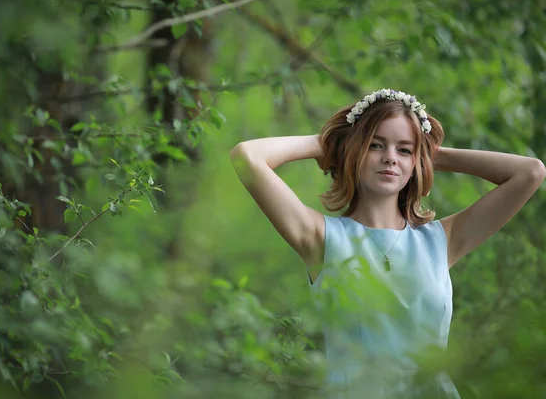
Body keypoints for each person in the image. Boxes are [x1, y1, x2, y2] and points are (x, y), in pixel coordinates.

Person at [229, 88, 546, 398]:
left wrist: (430, 154)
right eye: (376, 145)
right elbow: (247, 156)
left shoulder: (442, 241)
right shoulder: (320, 237)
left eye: (404, 150)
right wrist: (328, 144)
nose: (391, 159)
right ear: (355, 151)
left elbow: (530, 172)